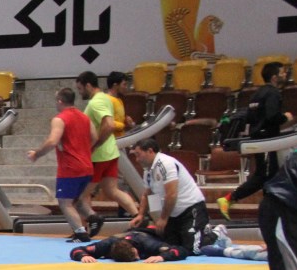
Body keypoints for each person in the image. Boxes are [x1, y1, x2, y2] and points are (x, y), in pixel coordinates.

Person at [220, 61, 294, 217]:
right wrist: (285, 117)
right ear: (274, 77)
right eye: (282, 72)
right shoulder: (273, 93)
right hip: (267, 141)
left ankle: (271, 210)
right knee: (264, 175)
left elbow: (251, 117)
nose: (285, 74)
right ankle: (229, 199)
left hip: (258, 137)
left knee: (270, 175)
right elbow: (272, 117)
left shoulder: (257, 94)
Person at [27, 87, 97, 242]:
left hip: (70, 167)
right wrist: (83, 150)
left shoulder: (60, 119)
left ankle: (81, 233)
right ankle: (93, 217)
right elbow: (95, 137)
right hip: (87, 166)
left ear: (59, 101)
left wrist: (36, 154)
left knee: (64, 202)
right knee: (77, 200)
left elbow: (52, 141)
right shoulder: (85, 117)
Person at [75, 71, 139, 238]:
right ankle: (139, 219)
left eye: (80, 88)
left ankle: (84, 229)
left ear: (88, 85)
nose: (79, 92)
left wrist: (95, 145)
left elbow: (109, 125)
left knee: (81, 196)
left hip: (99, 156)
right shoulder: (106, 98)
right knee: (112, 191)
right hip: (111, 152)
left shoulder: (96, 102)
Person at [132, 137, 209, 254]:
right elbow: (148, 194)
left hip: (191, 208)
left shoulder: (165, 163)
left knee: (193, 250)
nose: (137, 159)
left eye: (138, 155)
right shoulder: (148, 171)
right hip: (172, 214)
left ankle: (216, 233)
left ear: (150, 151)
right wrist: (141, 215)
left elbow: (171, 194)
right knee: (170, 247)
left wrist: (163, 219)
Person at [69, 229, 186, 263]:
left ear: (134, 249)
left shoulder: (148, 244)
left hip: (150, 233)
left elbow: (180, 250)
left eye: (135, 255)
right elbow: (77, 250)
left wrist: (162, 257)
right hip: (127, 233)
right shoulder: (106, 245)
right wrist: (83, 256)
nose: (138, 258)